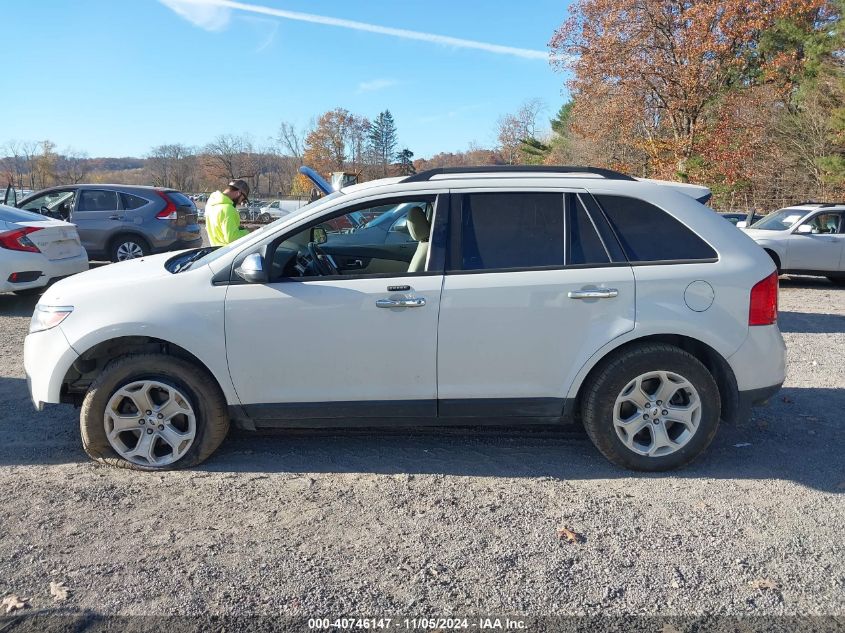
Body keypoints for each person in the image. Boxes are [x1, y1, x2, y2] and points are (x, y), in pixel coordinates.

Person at [205, 179, 251, 246]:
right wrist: (249, 231)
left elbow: (219, 230)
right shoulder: (228, 209)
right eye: (243, 199)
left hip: (215, 251)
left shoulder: (211, 205)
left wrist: (242, 229)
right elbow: (231, 238)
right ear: (239, 193)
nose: (241, 202)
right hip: (228, 251)